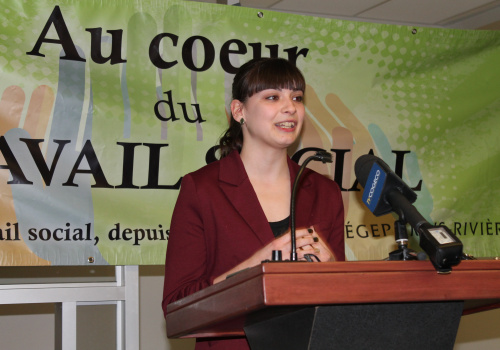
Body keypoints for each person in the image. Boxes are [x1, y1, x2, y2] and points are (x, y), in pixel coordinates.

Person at [162, 57, 345, 350]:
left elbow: (340, 303)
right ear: (239, 111)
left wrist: (334, 268)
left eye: (297, 98)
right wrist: (259, 264)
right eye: (273, 97)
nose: (290, 108)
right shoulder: (202, 189)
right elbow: (176, 308)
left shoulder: (325, 191)